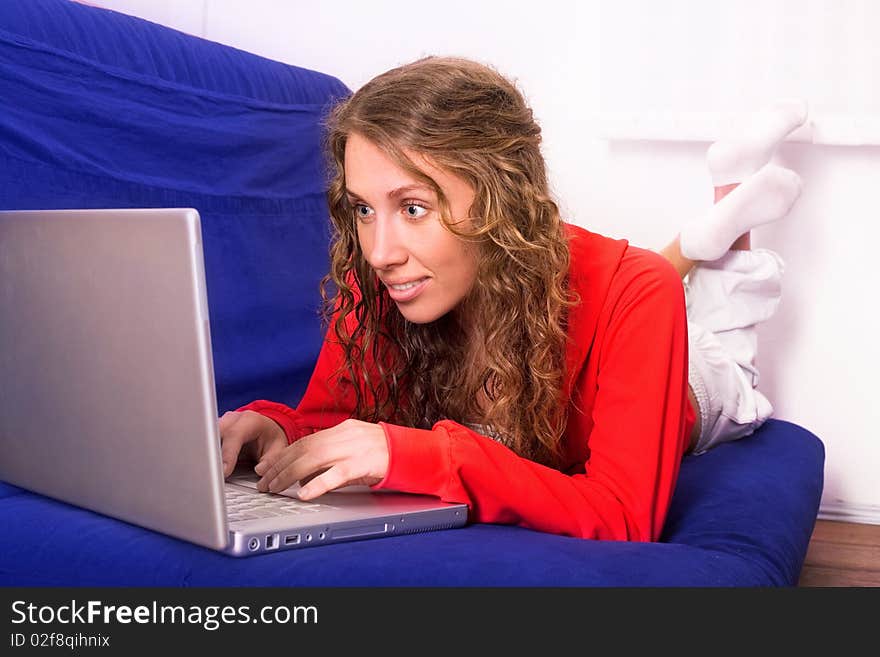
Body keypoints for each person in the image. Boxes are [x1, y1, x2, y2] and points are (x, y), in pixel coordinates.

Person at [219, 56, 804, 542]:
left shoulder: (638, 292)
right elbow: (330, 421)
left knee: (731, 354)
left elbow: (626, 516)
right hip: (620, 294)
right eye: (364, 209)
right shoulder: (385, 281)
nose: (378, 252)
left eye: (414, 208)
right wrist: (281, 432)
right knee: (644, 279)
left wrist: (426, 455)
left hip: (698, 380)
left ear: (501, 196)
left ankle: (724, 216)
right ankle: (701, 237)